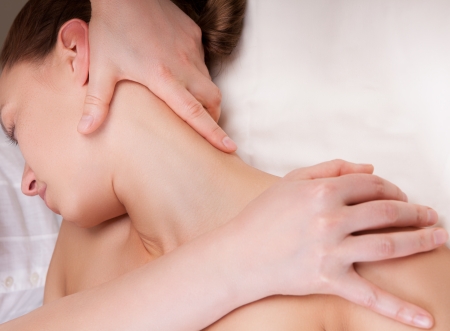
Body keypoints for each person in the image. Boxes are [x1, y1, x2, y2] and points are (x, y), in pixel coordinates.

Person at [0, 1, 449, 330]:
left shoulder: (359, 257)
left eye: (15, 126)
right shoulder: (78, 248)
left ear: (76, 52)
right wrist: (239, 259)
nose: (27, 181)